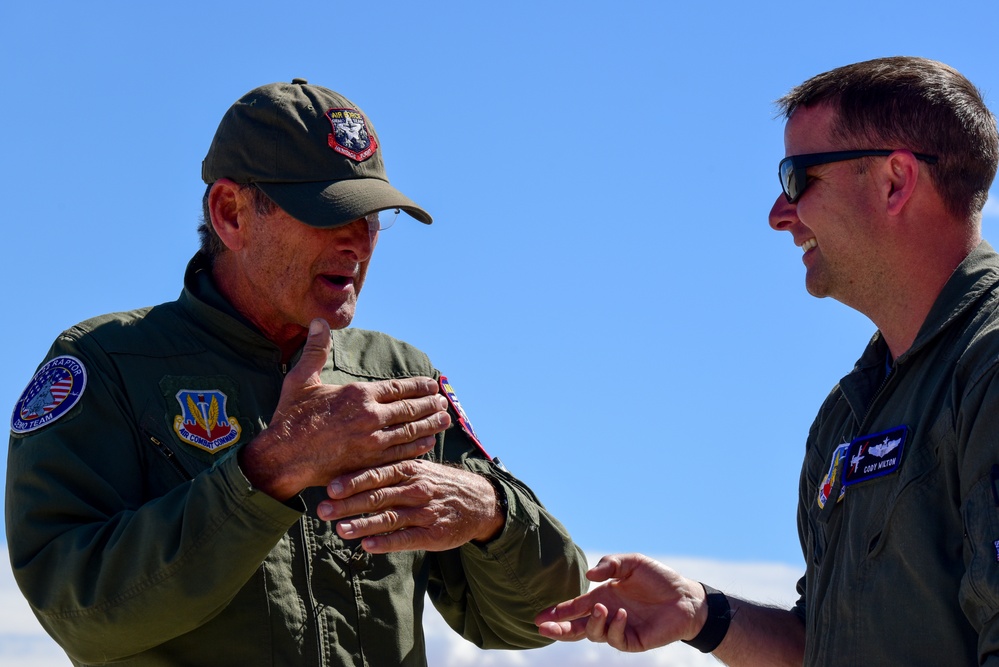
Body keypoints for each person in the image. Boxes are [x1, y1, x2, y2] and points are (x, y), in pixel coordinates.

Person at [6, 79, 587, 667]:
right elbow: (75, 611)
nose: (357, 241)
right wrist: (267, 470)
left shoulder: (396, 376)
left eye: (373, 217)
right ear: (230, 213)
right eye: (330, 212)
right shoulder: (105, 365)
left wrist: (490, 512)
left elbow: (549, 615)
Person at [534, 56, 999, 665]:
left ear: (894, 180)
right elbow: (824, 645)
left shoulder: (986, 363)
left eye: (797, 178)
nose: (780, 215)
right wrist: (704, 614)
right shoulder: (848, 413)